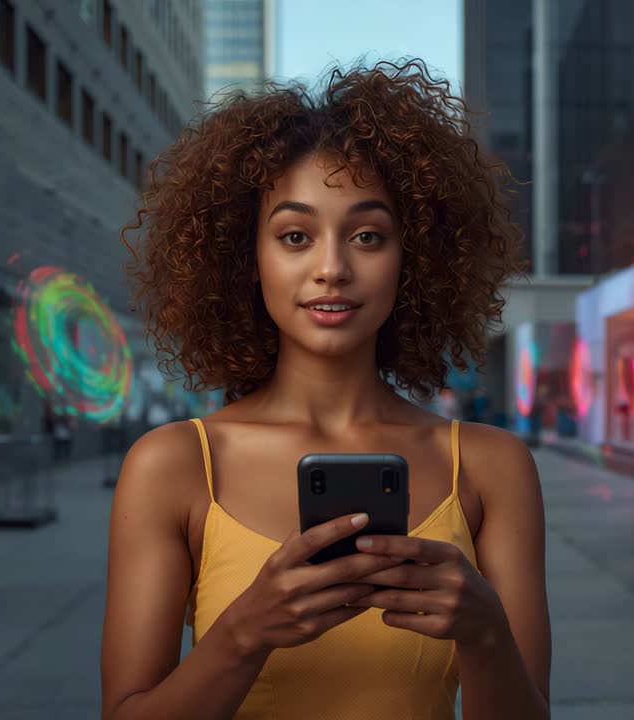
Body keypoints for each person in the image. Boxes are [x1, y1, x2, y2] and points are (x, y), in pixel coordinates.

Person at [102, 60, 551, 719]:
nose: (332, 268)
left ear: (414, 257)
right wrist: (243, 633)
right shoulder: (173, 466)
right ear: (247, 257)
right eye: (295, 236)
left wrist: (485, 635)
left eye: (368, 236)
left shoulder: (491, 467)